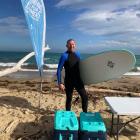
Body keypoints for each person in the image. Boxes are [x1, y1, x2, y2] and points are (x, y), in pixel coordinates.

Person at [57, 39, 88, 112]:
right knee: (69, 99)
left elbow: (82, 66)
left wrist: (86, 78)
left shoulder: (78, 54)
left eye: (73, 44)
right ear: (67, 45)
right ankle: (68, 114)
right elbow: (59, 69)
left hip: (78, 80)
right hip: (69, 81)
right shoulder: (64, 56)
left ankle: (85, 113)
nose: (71, 46)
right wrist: (60, 83)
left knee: (85, 97)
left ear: (75, 45)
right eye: (70, 44)